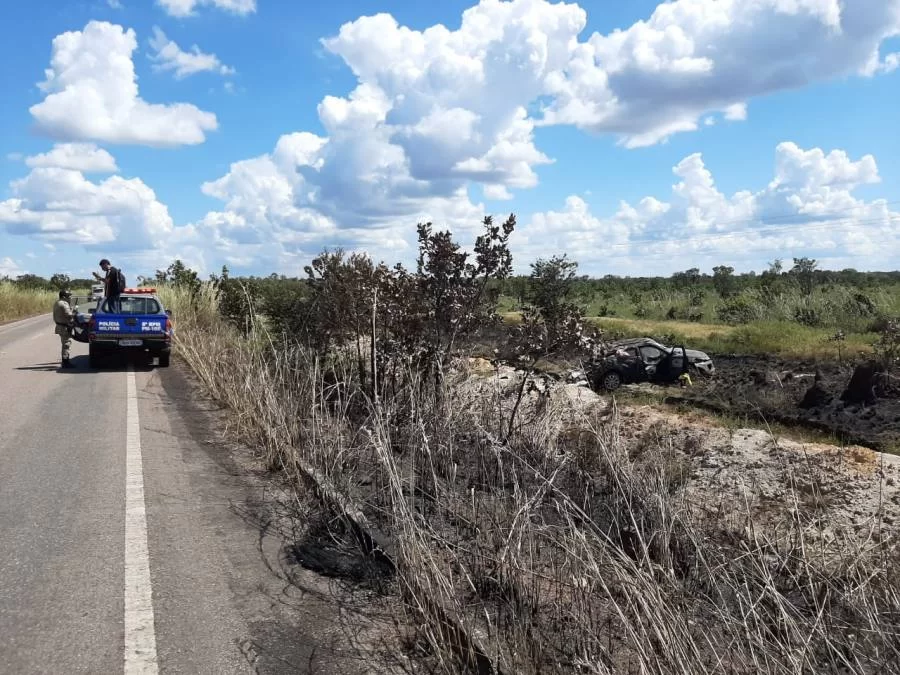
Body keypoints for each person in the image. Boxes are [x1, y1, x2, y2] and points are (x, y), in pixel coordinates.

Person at [52, 289, 75, 369]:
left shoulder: (57, 302)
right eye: (68, 296)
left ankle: (65, 361)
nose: (70, 297)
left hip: (59, 326)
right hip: (64, 327)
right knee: (66, 344)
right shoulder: (64, 304)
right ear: (64, 296)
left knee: (64, 343)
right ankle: (65, 362)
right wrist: (74, 310)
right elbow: (69, 315)